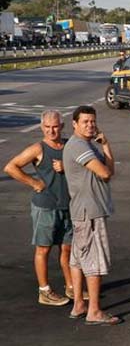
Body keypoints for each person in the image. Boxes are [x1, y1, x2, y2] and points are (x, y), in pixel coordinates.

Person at [3, 110, 77, 306]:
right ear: (42, 127)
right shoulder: (38, 148)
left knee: (67, 248)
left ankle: (72, 287)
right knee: (43, 249)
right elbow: (11, 167)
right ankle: (44, 291)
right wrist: (34, 183)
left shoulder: (70, 145)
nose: (51, 131)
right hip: (46, 206)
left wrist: (66, 166)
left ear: (62, 126)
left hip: (68, 206)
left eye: (55, 127)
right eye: (47, 127)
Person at [65, 106, 121, 325]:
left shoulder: (88, 144)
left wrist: (105, 144)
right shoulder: (78, 146)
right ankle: (94, 311)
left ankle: (79, 304)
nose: (90, 125)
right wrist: (104, 158)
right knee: (94, 262)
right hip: (90, 212)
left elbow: (110, 170)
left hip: (84, 211)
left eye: (92, 121)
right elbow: (105, 173)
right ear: (75, 124)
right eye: (85, 122)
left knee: (78, 260)